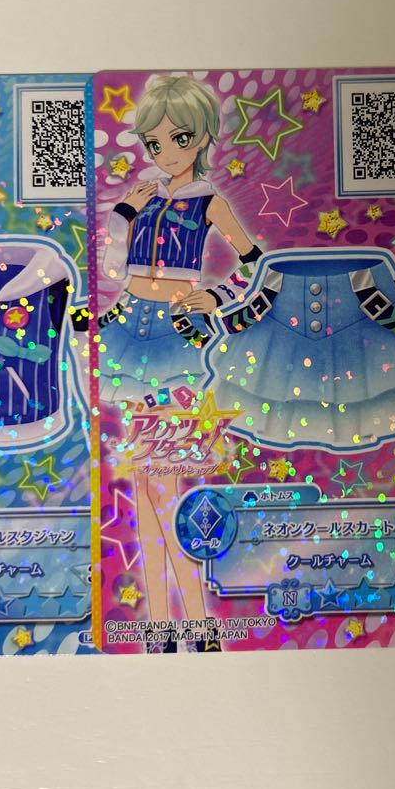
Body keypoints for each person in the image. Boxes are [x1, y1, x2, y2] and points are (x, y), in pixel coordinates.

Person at [98, 75, 260, 652]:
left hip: (173, 332)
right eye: (154, 142)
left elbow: (253, 262)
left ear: (202, 138)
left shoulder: (209, 200)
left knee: (163, 477)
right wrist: (124, 213)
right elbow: (113, 268)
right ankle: (163, 626)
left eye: (179, 138)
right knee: (145, 479)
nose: (165, 151)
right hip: (127, 325)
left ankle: (195, 620)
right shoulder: (142, 196)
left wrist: (215, 295)